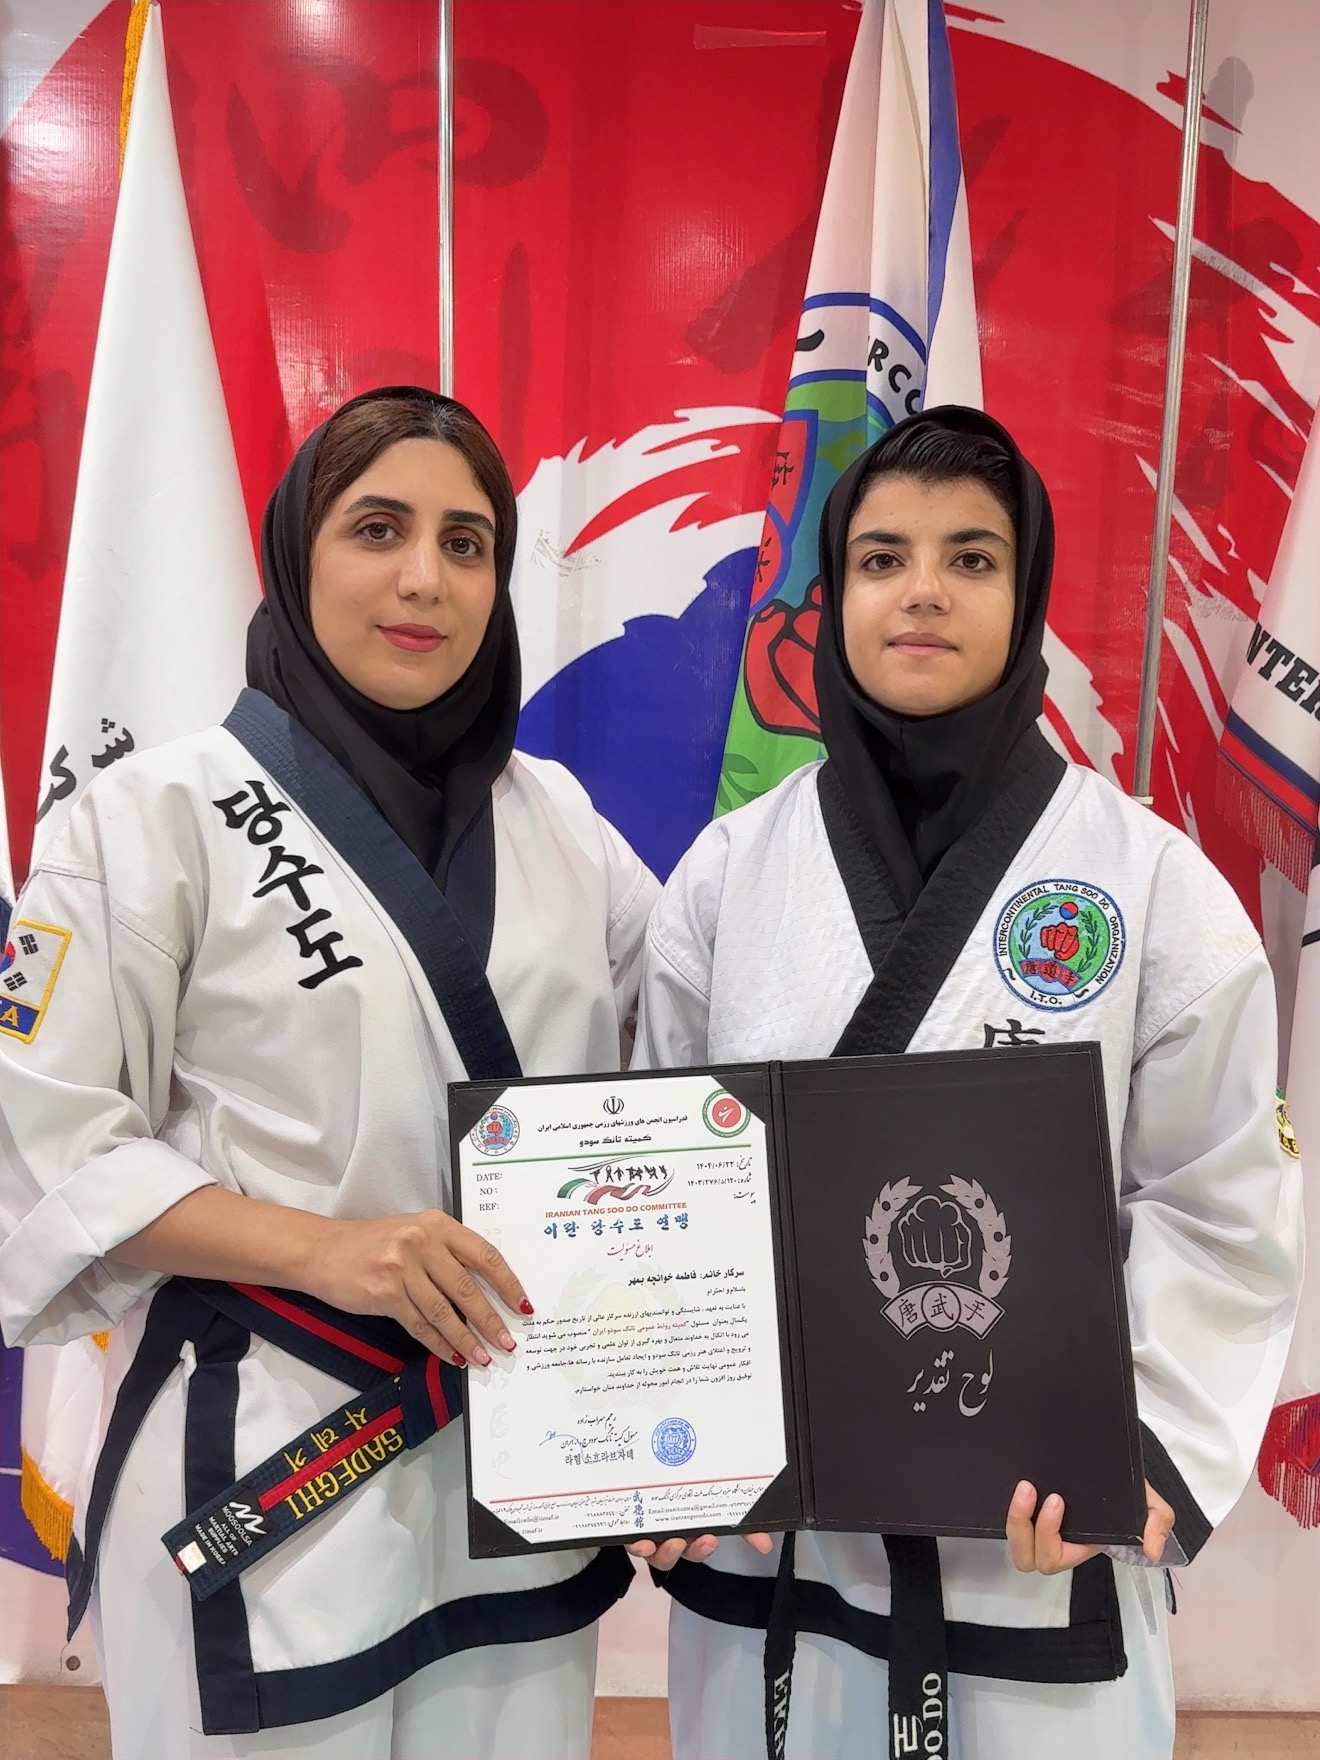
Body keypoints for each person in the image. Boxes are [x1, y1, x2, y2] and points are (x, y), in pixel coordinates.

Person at [628, 406, 1301, 1760]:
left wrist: (1146, 1446)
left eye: (971, 559)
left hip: (1036, 1534)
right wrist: (660, 1430)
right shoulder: (730, 873)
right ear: (834, 595)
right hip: (780, 1541)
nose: (923, 590)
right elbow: (665, 1178)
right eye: (882, 558)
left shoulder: (1150, 884)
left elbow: (1216, 1196)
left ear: (1026, 593)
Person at [0, 387, 657, 1760]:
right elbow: (50, 1139)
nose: (425, 578)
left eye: (466, 543)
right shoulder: (151, 817)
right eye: (378, 529)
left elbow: (682, 1079)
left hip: (517, 1449)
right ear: (298, 554)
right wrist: (330, 1251)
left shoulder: (563, 826)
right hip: (264, 1435)